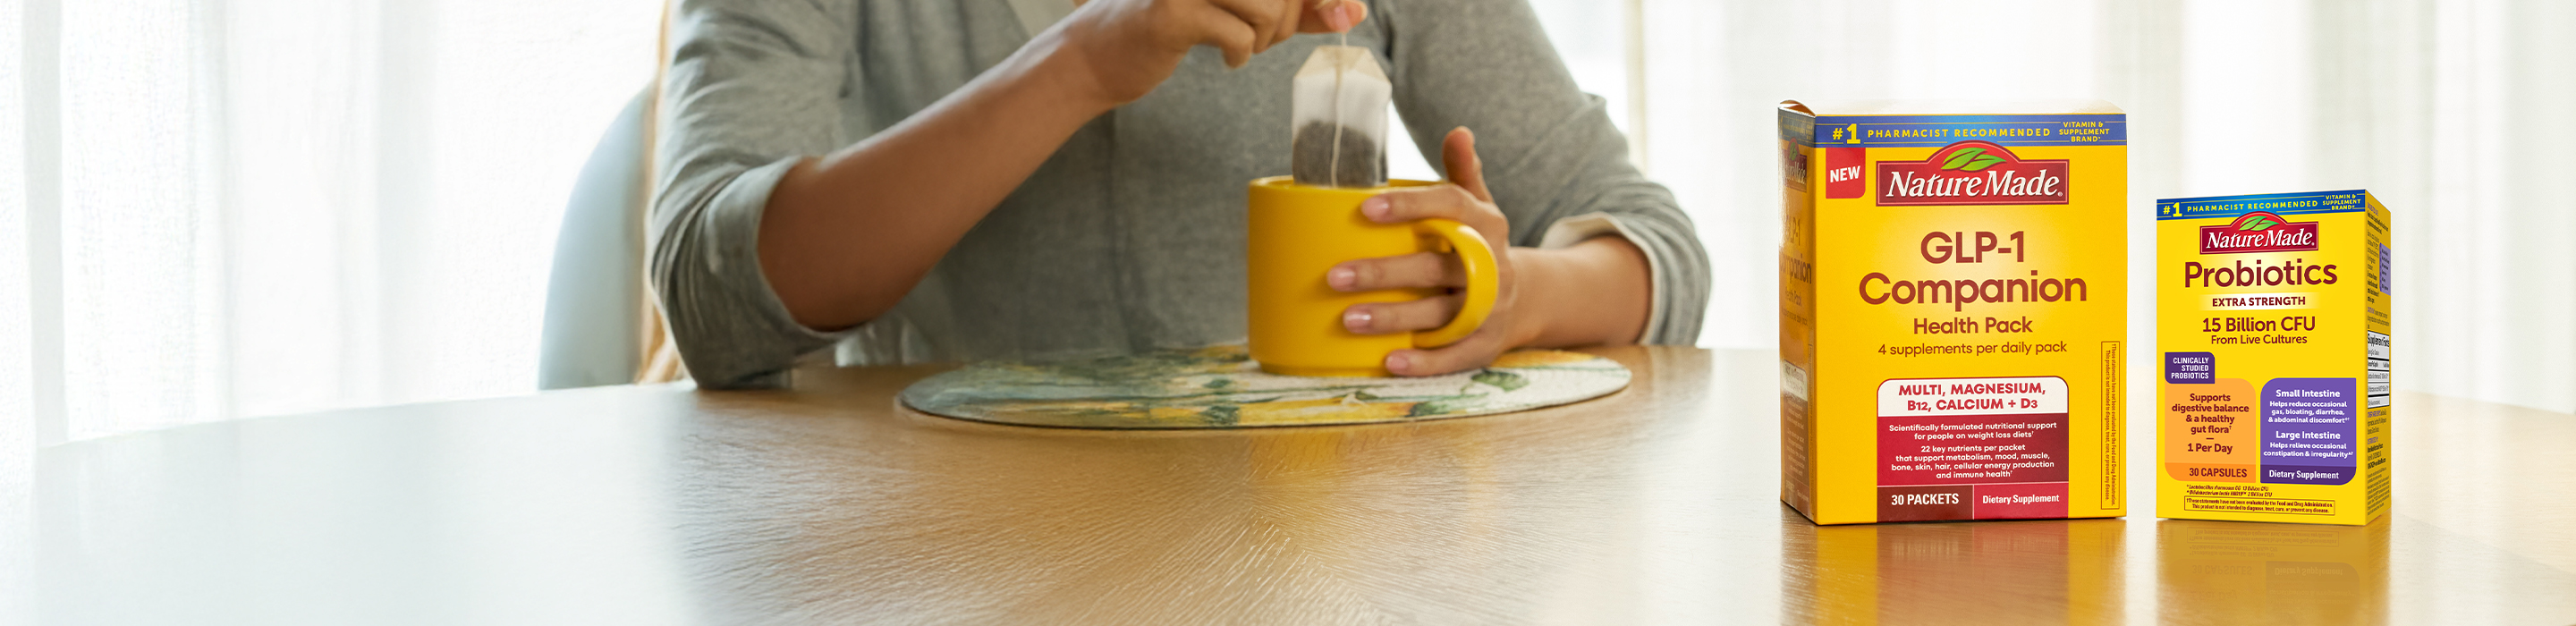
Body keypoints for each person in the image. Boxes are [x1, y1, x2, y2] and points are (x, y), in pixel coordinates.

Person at [653, 0, 1710, 389]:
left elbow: (1657, 257)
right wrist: (1079, 61)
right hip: (944, 548)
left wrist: (1516, 293)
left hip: (1320, 550)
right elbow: (712, 301)